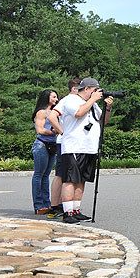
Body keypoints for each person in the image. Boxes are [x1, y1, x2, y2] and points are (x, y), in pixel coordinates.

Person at [56, 77, 114, 224]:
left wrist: (108, 108)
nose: (97, 93)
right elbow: (78, 113)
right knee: (70, 179)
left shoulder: (93, 104)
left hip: (89, 148)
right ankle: (67, 212)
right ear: (87, 89)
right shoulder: (71, 100)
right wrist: (93, 99)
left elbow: (103, 121)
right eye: (95, 90)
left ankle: (76, 210)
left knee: (81, 180)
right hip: (74, 147)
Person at [47, 77, 80, 218]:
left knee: (66, 175)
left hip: (71, 142)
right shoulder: (67, 100)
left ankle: (62, 204)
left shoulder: (76, 101)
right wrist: (62, 132)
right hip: (64, 142)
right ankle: (55, 206)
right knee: (61, 175)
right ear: (74, 88)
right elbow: (52, 117)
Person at [31, 90, 62, 214]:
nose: (56, 99)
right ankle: (39, 205)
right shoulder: (41, 112)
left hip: (52, 146)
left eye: (56, 97)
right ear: (46, 98)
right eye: (53, 97)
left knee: (46, 176)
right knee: (39, 175)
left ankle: (47, 204)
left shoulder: (55, 113)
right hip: (41, 145)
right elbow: (40, 130)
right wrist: (54, 132)